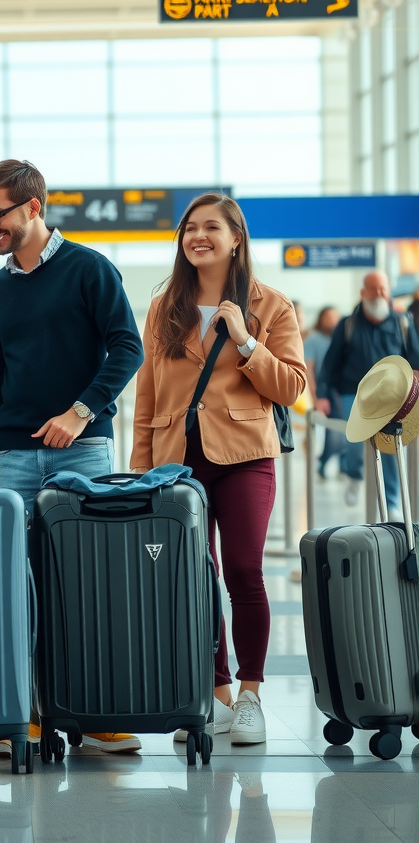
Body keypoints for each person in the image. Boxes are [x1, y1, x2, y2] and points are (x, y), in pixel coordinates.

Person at [0, 159, 144, 757]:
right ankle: (27, 713)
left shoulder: (88, 268)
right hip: (15, 455)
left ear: (34, 207)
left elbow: (128, 347)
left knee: (85, 580)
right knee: (15, 585)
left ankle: (91, 712)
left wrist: (81, 411)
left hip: (85, 449)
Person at [131, 193, 306, 746]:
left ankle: (251, 693)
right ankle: (216, 694)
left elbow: (293, 387)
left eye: (211, 228)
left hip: (245, 455)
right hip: (176, 460)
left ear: (236, 238)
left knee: (243, 571)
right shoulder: (165, 308)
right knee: (193, 576)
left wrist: (248, 341)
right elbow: (148, 393)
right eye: (189, 229)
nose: (197, 236)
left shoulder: (270, 304)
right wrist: (141, 469)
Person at [316, 271, 419, 517]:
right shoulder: (347, 324)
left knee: (391, 445)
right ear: (363, 293)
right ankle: (354, 474)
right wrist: (321, 395)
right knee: (354, 442)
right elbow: (330, 363)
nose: (380, 294)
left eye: (384, 289)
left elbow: (414, 359)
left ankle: (391, 501)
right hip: (354, 393)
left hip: (392, 397)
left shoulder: (402, 322)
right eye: (374, 289)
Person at [303, 306, 344, 479]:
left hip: (342, 390)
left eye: (336, 317)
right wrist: (315, 397)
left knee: (342, 429)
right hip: (324, 390)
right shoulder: (313, 340)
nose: (333, 320)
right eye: (329, 317)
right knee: (335, 429)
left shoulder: (342, 338)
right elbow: (309, 370)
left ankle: (340, 465)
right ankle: (324, 461)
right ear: (321, 318)